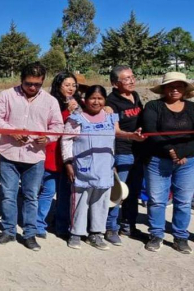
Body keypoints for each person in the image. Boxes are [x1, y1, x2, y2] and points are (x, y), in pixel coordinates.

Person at [0, 62, 63, 251]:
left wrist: (47, 138)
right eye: (28, 83)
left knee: (31, 196)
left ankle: (29, 234)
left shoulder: (50, 101)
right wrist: (12, 131)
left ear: (43, 81)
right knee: (8, 196)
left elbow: (58, 127)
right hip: (9, 154)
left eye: (37, 84)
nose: (32, 88)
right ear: (21, 80)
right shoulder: (7, 95)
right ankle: (8, 232)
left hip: (35, 157)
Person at [61, 85, 139, 250]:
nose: (96, 102)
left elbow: (117, 134)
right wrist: (68, 163)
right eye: (92, 98)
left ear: (105, 101)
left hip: (105, 168)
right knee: (79, 202)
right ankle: (75, 233)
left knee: (101, 202)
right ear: (85, 100)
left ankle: (96, 234)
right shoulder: (76, 119)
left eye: (100, 98)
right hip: (82, 168)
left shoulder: (111, 117)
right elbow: (66, 141)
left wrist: (131, 136)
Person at [141, 72, 194, 254]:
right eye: (171, 86)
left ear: (184, 89)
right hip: (157, 160)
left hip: (187, 161)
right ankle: (156, 234)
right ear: (164, 89)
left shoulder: (192, 108)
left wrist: (183, 153)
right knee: (156, 200)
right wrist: (171, 151)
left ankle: (180, 236)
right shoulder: (153, 106)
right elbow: (151, 130)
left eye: (179, 86)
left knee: (184, 201)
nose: (175, 89)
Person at [104, 65, 146, 245]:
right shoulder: (110, 103)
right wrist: (132, 136)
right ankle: (110, 228)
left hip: (138, 151)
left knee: (134, 191)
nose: (131, 81)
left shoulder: (135, 96)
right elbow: (114, 131)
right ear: (115, 83)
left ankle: (129, 226)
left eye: (132, 77)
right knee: (118, 192)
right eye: (126, 78)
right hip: (122, 151)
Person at [35, 72, 80, 239]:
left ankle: (61, 225)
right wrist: (67, 111)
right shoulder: (49, 102)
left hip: (69, 155)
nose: (71, 88)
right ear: (58, 85)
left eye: (73, 85)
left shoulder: (79, 102)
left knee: (66, 193)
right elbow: (52, 126)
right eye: (67, 85)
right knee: (48, 191)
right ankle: (38, 224)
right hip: (53, 154)